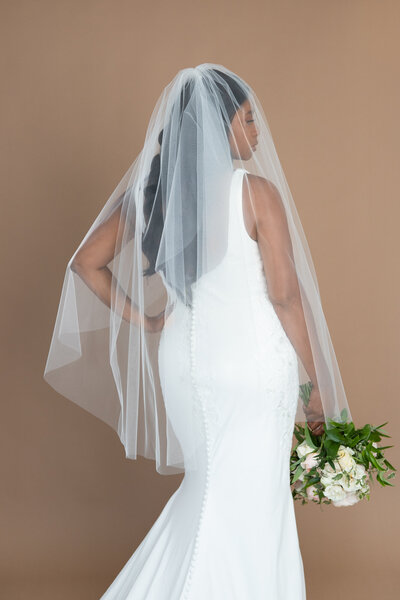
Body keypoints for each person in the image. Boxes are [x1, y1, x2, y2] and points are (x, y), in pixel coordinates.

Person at [43, 63, 351, 598]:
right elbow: (284, 295)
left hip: (186, 365)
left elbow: (85, 262)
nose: (258, 132)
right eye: (249, 120)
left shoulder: (155, 194)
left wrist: (150, 321)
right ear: (218, 126)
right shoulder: (257, 195)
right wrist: (316, 382)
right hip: (252, 368)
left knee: (209, 490)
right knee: (249, 498)